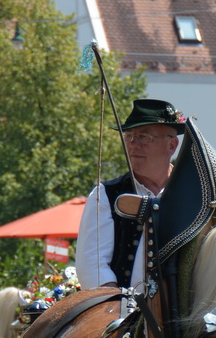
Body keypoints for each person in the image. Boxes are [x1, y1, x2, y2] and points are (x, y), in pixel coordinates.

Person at [76, 98, 183, 290]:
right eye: (129, 136)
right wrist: (119, 308)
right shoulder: (106, 195)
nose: (133, 144)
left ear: (172, 146)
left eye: (144, 137)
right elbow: (92, 264)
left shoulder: (195, 192)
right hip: (123, 312)